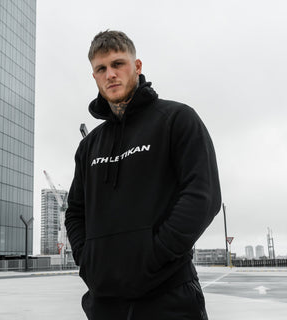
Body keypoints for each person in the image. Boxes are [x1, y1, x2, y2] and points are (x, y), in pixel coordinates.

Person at [65, 30, 221, 320]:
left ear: (137, 67)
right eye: (101, 68)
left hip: (169, 297)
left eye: (118, 64)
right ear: (95, 77)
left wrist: (154, 255)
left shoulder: (177, 119)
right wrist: (88, 262)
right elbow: (75, 212)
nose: (110, 74)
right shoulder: (89, 146)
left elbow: (203, 196)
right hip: (104, 303)